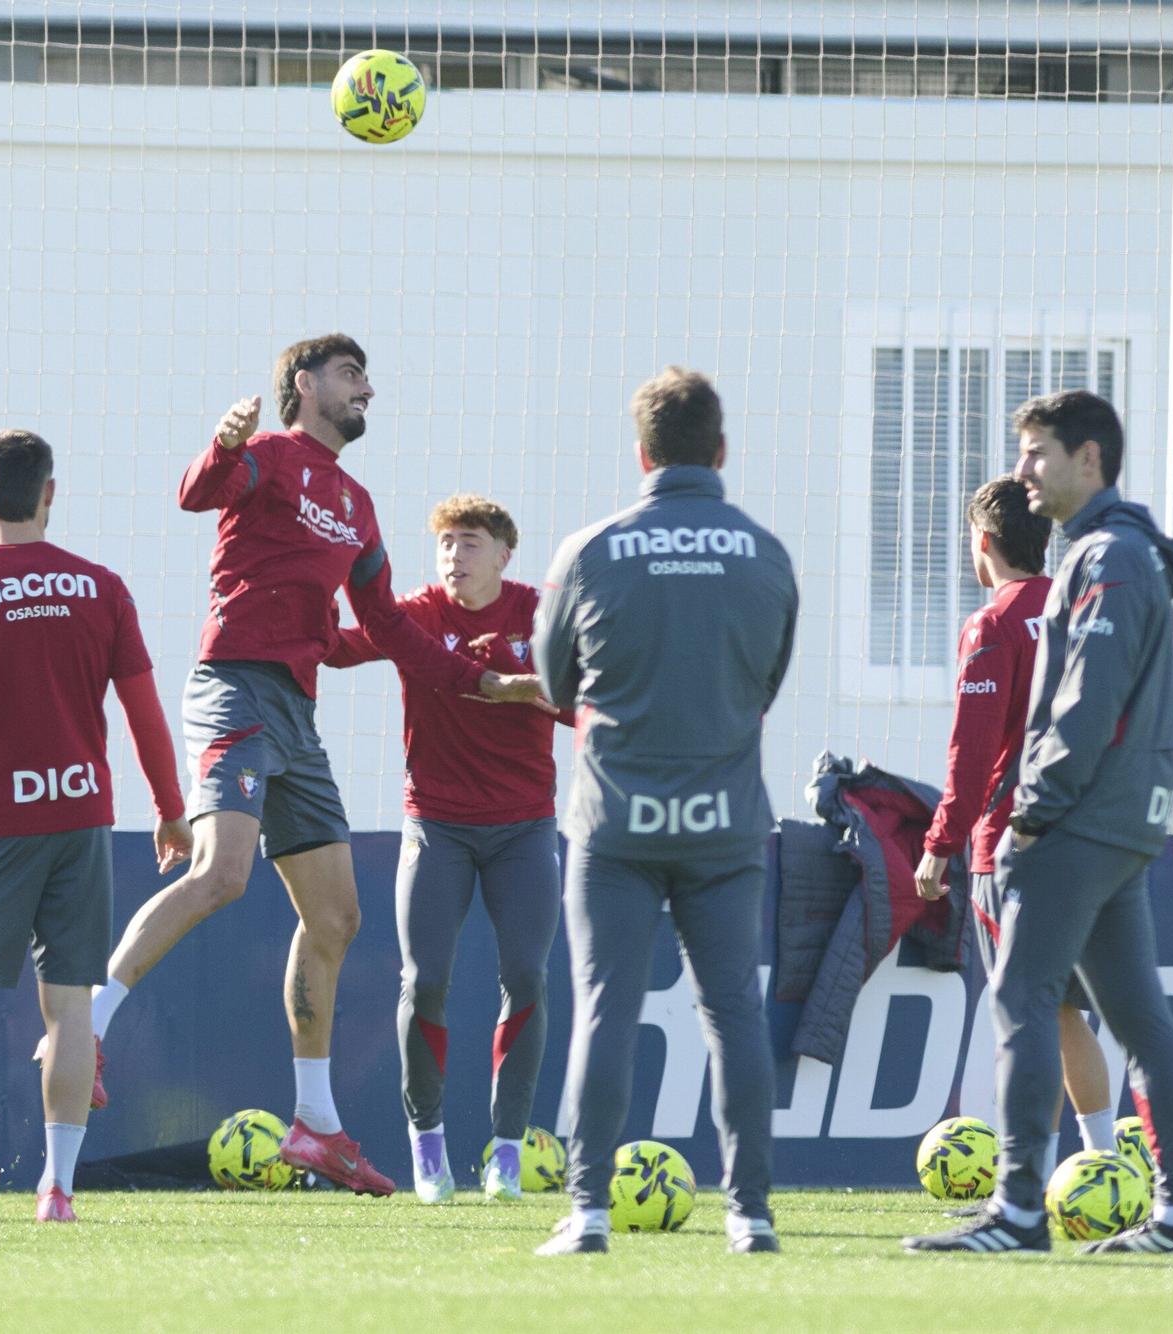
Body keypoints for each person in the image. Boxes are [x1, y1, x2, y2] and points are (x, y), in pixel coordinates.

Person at [88, 335, 544, 1196]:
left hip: (295, 713)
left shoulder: (360, 505)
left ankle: (316, 1125)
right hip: (232, 689)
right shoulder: (265, 457)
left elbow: (391, 627)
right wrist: (221, 445)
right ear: (305, 386)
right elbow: (197, 495)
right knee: (221, 875)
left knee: (336, 919)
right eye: (350, 375)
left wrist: (485, 679)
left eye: (367, 376)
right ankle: (91, 1026)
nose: (368, 388)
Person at [904, 389, 1173, 1256]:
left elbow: (1088, 702)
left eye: (1039, 452)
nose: (1025, 470)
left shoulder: (1107, 555)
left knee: (1022, 998)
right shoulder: (1109, 550)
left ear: (1090, 459)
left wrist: (1031, 814)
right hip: (1119, 819)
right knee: (1139, 1017)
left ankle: (1019, 1213)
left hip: (1073, 821)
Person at [0, 430, 190, 1225]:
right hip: (83, 818)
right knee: (69, 1008)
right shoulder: (102, 589)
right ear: (49, 493)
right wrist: (169, 809)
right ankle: (57, 1188)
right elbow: (143, 710)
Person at [530, 367, 797, 1256]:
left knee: (604, 1007)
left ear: (641, 452)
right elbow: (766, 685)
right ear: (721, 451)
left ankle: (590, 1215)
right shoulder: (765, 553)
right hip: (726, 822)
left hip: (614, 823)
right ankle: (751, 1216)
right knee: (734, 1015)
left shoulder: (589, 551)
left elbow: (556, 685)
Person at [323, 493, 568, 1202]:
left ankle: (508, 1153)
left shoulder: (537, 614)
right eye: (446, 545)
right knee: (423, 980)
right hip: (437, 824)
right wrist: (297, 603)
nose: (454, 557)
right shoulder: (421, 613)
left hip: (524, 827)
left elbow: (591, 701)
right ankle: (426, 1148)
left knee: (526, 977)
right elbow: (340, 648)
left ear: (502, 554)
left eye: (468, 543)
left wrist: (536, 691)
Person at [913, 476, 1114, 1204]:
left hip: (1013, 845)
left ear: (984, 543)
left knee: (1023, 1010)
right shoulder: (1079, 608)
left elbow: (972, 752)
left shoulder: (991, 623)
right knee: (1065, 1008)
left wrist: (941, 841)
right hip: (1090, 837)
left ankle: (1023, 1181)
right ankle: (1106, 1166)